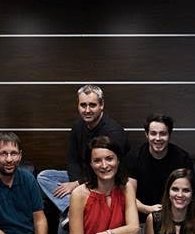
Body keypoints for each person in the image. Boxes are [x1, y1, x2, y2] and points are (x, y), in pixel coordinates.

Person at [37, 85, 130, 213]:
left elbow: (109, 169)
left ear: (101, 105)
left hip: (105, 179)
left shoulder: (114, 132)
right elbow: (73, 160)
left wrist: (77, 184)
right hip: (82, 177)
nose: (87, 110)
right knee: (45, 177)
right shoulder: (78, 126)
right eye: (83, 105)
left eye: (92, 105)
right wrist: (76, 183)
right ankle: (70, 210)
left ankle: (76, 211)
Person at [125, 113, 193, 218]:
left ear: (169, 135)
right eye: (153, 133)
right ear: (146, 135)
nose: (158, 138)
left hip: (174, 214)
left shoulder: (182, 158)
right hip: (141, 214)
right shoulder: (134, 157)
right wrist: (147, 209)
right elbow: (129, 196)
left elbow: (187, 193)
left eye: (163, 134)